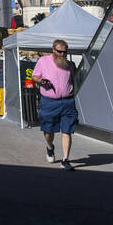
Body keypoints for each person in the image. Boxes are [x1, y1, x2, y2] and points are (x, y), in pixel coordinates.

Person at [32, 39, 78, 170]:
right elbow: (34, 76)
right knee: (48, 131)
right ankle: (50, 147)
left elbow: (72, 81)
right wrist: (41, 81)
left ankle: (65, 160)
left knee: (67, 130)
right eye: (59, 51)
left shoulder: (70, 65)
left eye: (65, 52)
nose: (62, 54)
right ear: (53, 50)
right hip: (49, 102)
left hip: (67, 102)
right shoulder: (43, 61)